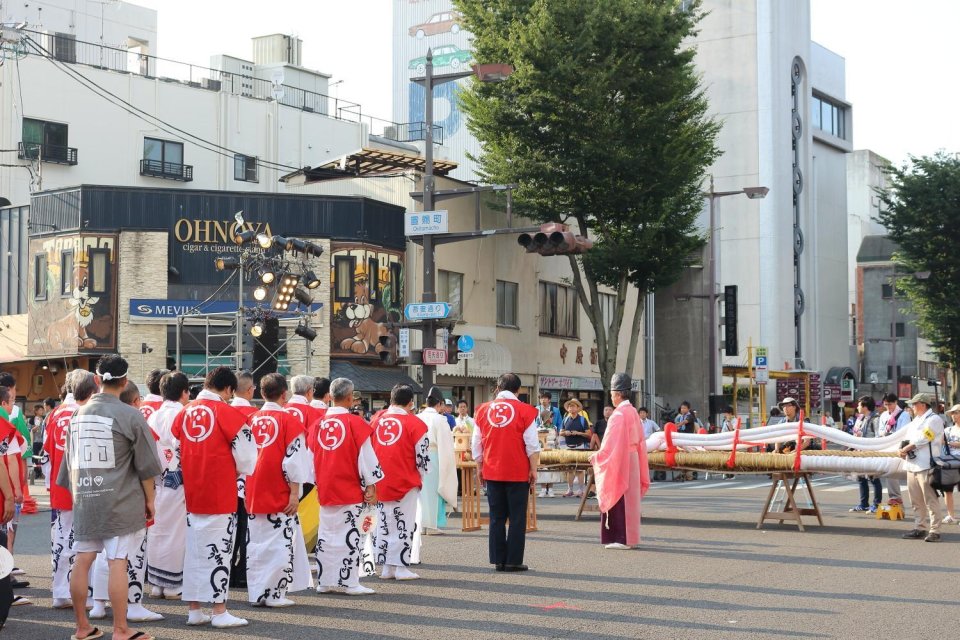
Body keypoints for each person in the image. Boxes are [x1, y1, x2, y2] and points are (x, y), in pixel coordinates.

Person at [57, 355, 163, 640]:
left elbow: (67, 469)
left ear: (96, 380)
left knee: (82, 560)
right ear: (125, 382)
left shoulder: (76, 415)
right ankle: (121, 629)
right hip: (120, 501)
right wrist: (150, 500)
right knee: (119, 561)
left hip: (86, 499)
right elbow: (147, 466)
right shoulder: (130, 415)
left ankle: (82, 627)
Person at [170, 366, 257, 628]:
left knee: (195, 550)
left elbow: (175, 450)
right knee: (219, 550)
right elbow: (247, 458)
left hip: (193, 491)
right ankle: (219, 611)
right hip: (219, 490)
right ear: (229, 389)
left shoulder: (184, 412)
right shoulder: (227, 413)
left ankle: (194, 609)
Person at [88, 380, 164, 623]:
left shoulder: (96, 420)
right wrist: (150, 499)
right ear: (134, 402)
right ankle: (133, 604)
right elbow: (152, 465)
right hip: (128, 496)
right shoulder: (134, 420)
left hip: (97, 493)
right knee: (131, 554)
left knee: (102, 553)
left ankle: (98, 603)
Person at [244, 373, 313, 607]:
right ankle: (274, 594)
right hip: (278, 488)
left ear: (261, 393)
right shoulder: (290, 422)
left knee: (256, 543)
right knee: (279, 543)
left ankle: (257, 593)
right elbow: (294, 461)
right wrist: (294, 493)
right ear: (285, 394)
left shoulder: (251, 419)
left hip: (253, 488)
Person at [312, 377, 383, 595]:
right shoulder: (356, 424)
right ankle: (349, 582)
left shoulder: (317, 425)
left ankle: (325, 580)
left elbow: (310, 457)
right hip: (349, 486)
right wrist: (371, 484)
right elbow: (366, 457)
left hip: (325, 486)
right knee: (351, 534)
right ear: (351, 397)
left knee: (326, 534)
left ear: (330, 397)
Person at [472, 373, 540, 572]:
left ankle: (498, 559)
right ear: (518, 390)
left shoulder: (482, 410)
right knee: (517, 516)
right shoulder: (526, 411)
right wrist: (533, 469)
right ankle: (513, 560)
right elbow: (532, 445)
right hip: (518, 470)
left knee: (496, 516)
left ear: (497, 388)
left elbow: (476, 442)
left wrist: (479, 466)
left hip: (492, 469)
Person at [370, 384, 429, 581]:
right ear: (411, 403)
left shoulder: (376, 420)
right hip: (405, 478)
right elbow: (422, 457)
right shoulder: (416, 424)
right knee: (403, 522)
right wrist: (421, 476)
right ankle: (401, 567)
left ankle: (387, 567)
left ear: (391, 400)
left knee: (385, 523)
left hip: (379, 479)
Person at [591, 373, 650, 549]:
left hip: (621, 458)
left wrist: (597, 457)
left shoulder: (618, 415)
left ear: (617, 394)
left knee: (620, 495)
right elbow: (640, 439)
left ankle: (622, 538)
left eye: (611, 394)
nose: (611, 397)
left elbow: (610, 444)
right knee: (630, 500)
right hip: (633, 457)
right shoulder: (632, 411)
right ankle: (630, 538)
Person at [146, 371, 191, 600]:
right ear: (184, 392)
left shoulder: (153, 416)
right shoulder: (183, 414)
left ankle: (156, 584)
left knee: (158, 528)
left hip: (156, 478)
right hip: (178, 477)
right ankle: (172, 585)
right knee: (176, 531)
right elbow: (185, 447)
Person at [899, 393, 944, 542]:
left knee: (930, 499)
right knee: (916, 500)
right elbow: (908, 439)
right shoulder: (915, 420)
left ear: (923, 404)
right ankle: (920, 527)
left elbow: (926, 437)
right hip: (912, 464)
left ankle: (934, 530)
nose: (912, 406)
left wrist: (908, 447)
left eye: (914, 404)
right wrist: (903, 448)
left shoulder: (934, 419)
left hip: (927, 464)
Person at [416, 388, 457, 537]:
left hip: (418, 456)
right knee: (435, 491)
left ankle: (421, 525)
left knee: (421, 491)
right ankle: (432, 525)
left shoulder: (417, 417)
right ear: (439, 404)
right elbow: (446, 444)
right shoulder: (440, 419)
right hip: (434, 455)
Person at [0, 386, 27, 609]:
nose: (12, 407)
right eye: (10, 402)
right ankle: (5, 592)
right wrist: (12, 493)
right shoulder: (4, 428)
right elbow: (5, 461)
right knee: (5, 539)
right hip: (2, 494)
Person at [849, 396, 882, 514]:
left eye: (859, 405)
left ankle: (876, 504)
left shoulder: (875, 419)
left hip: (870, 452)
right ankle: (864, 504)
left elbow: (879, 437)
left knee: (873, 478)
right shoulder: (861, 418)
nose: (857, 407)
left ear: (865, 406)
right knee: (861, 478)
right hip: (860, 452)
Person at [877, 393, 910, 505]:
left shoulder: (904, 415)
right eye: (885, 405)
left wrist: (891, 435)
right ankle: (894, 496)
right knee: (889, 470)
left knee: (903, 471)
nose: (888, 407)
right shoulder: (883, 415)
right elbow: (880, 430)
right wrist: (884, 434)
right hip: (887, 445)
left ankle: (898, 496)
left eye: (890, 404)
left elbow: (903, 432)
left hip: (899, 445)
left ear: (896, 402)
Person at [560, 398, 592, 497]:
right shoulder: (565, 419)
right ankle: (570, 489)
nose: (571, 408)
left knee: (579, 469)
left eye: (573, 406)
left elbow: (588, 434)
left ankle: (581, 490)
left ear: (578, 408)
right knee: (570, 469)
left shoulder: (583, 420)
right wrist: (566, 433)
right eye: (569, 406)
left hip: (580, 446)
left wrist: (578, 433)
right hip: (568, 447)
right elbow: (560, 432)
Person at [941, 403, 960, 525]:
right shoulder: (948, 430)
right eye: (952, 413)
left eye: (956, 412)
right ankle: (950, 515)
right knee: (947, 490)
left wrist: (949, 443)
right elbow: (940, 441)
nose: (953, 415)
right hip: (949, 461)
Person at [29, 404, 45, 480]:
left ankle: (42, 472)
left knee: (42, 457)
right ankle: (36, 473)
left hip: (43, 441)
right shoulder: (32, 420)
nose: (42, 411)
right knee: (35, 457)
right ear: (36, 411)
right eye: (40, 410)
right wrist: (36, 426)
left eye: (43, 410)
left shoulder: (45, 419)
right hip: (35, 441)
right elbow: (30, 430)